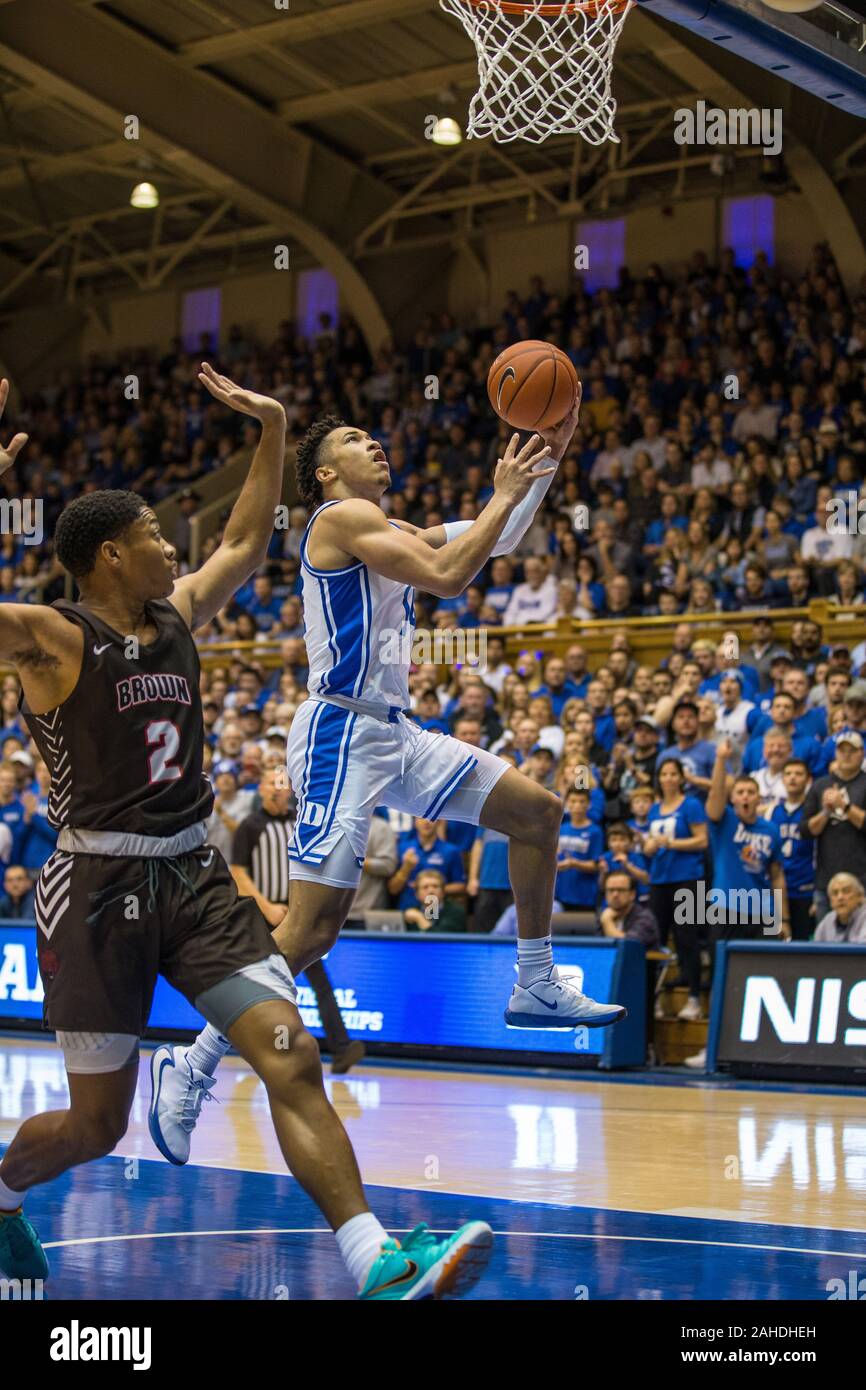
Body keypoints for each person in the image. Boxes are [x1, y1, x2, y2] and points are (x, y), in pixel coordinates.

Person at [0, 372, 491, 1301]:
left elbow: (243, 537)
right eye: (149, 532)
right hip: (95, 890)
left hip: (192, 877)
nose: (165, 542)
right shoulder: (47, 639)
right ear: (109, 555)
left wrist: (271, 430)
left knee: (289, 1051)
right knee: (95, 1127)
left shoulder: (176, 613)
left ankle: (376, 1263)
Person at [642, 758, 708, 1022]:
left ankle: (693, 999)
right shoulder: (654, 809)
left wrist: (671, 843)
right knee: (656, 938)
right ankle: (653, 1000)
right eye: (664, 774)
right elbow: (648, 844)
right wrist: (649, 847)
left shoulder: (691, 805)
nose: (668, 778)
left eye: (673, 774)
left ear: (681, 778)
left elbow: (702, 840)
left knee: (687, 938)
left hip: (687, 878)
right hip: (659, 879)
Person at [800, 730, 866, 923]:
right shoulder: (821, 785)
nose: (846, 755)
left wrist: (844, 806)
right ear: (835, 753)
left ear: (862, 753)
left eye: (852, 751)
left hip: (862, 880)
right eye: (842, 750)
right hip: (826, 882)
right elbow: (805, 830)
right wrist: (825, 812)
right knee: (825, 946)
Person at [766, 759, 816, 942]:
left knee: (804, 948)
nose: (793, 778)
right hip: (777, 891)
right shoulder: (771, 811)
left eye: (798, 774)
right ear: (782, 779)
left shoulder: (812, 812)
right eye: (788, 774)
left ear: (808, 780)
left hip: (805, 889)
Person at [403, 868, 466, 933]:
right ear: (417, 894)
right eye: (425, 887)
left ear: (443, 892)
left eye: (435, 886)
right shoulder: (411, 913)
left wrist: (420, 919)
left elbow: (441, 940)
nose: (431, 891)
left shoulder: (456, 912)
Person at [813, 872, 866, 942]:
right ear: (831, 901)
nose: (840, 897)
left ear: (860, 896)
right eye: (835, 893)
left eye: (846, 891)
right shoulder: (827, 922)